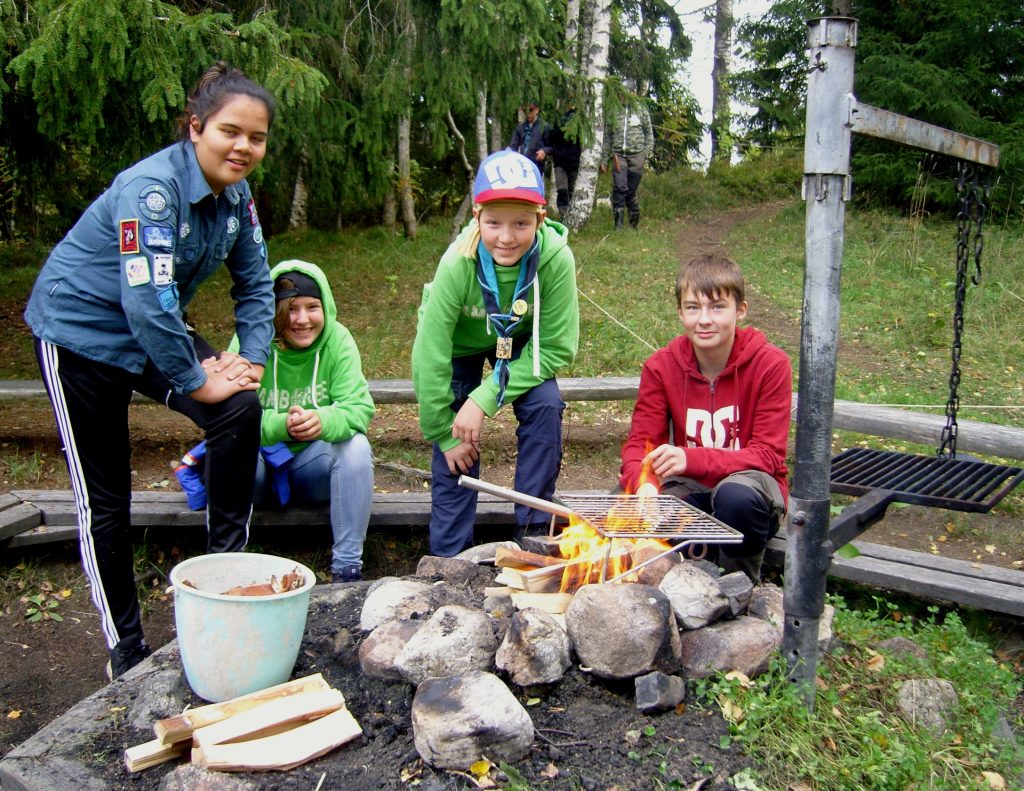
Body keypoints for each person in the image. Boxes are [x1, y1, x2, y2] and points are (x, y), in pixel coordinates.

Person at [24, 63, 277, 679]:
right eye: (229, 131)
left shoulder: (237, 195)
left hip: (153, 327)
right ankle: (127, 651)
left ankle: (225, 585)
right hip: (79, 335)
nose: (243, 146)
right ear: (196, 128)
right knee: (106, 496)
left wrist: (251, 360)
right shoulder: (151, 191)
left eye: (258, 137)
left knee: (238, 408)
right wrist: (195, 379)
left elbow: (255, 283)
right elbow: (144, 296)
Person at [412, 150, 579, 557]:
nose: (507, 237)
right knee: (456, 435)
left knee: (545, 405)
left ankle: (534, 536)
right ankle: (450, 557)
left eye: (521, 223)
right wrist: (442, 429)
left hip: (522, 338)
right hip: (460, 344)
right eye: (494, 223)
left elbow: (556, 346)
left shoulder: (555, 259)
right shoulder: (457, 262)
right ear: (476, 217)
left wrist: (484, 398)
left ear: (540, 218)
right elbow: (430, 352)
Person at [619, 254, 791, 582]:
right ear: (680, 313)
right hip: (693, 488)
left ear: (740, 310)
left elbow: (767, 456)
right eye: (693, 308)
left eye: (717, 307)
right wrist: (644, 485)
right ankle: (676, 587)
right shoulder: (661, 367)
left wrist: (689, 457)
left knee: (734, 497)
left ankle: (738, 587)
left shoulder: (771, 364)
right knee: (650, 505)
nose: (704, 320)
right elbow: (641, 445)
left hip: (753, 489)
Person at [239, 260, 375, 583]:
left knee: (356, 446)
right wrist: (279, 425)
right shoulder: (251, 341)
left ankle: (347, 570)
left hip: (312, 471)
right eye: (291, 308)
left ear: (325, 306)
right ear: (275, 310)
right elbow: (230, 418)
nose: (302, 319)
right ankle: (228, 564)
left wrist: (322, 420)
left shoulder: (338, 341)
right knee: (228, 447)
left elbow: (359, 408)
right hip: (258, 470)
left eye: (312, 307)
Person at [601, 79, 654, 230]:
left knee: (630, 192)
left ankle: (633, 225)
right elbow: (607, 137)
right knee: (619, 189)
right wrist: (604, 158)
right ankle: (618, 226)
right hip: (618, 155)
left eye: (625, 93)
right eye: (620, 93)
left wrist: (647, 154)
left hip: (637, 156)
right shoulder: (614, 111)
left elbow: (649, 133)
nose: (622, 96)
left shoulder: (641, 110)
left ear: (633, 93)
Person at [545, 107, 582, 218]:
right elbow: (550, 138)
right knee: (562, 190)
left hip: (575, 162)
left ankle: (574, 216)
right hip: (559, 162)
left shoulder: (580, 119)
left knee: (572, 191)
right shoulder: (556, 119)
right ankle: (564, 216)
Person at [507, 101, 550, 165]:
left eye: (530, 110)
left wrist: (544, 151)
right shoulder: (520, 128)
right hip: (522, 165)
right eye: (525, 111)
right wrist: (507, 152)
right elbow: (513, 146)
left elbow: (552, 146)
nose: (528, 113)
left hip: (537, 167)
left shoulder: (545, 127)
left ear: (537, 110)